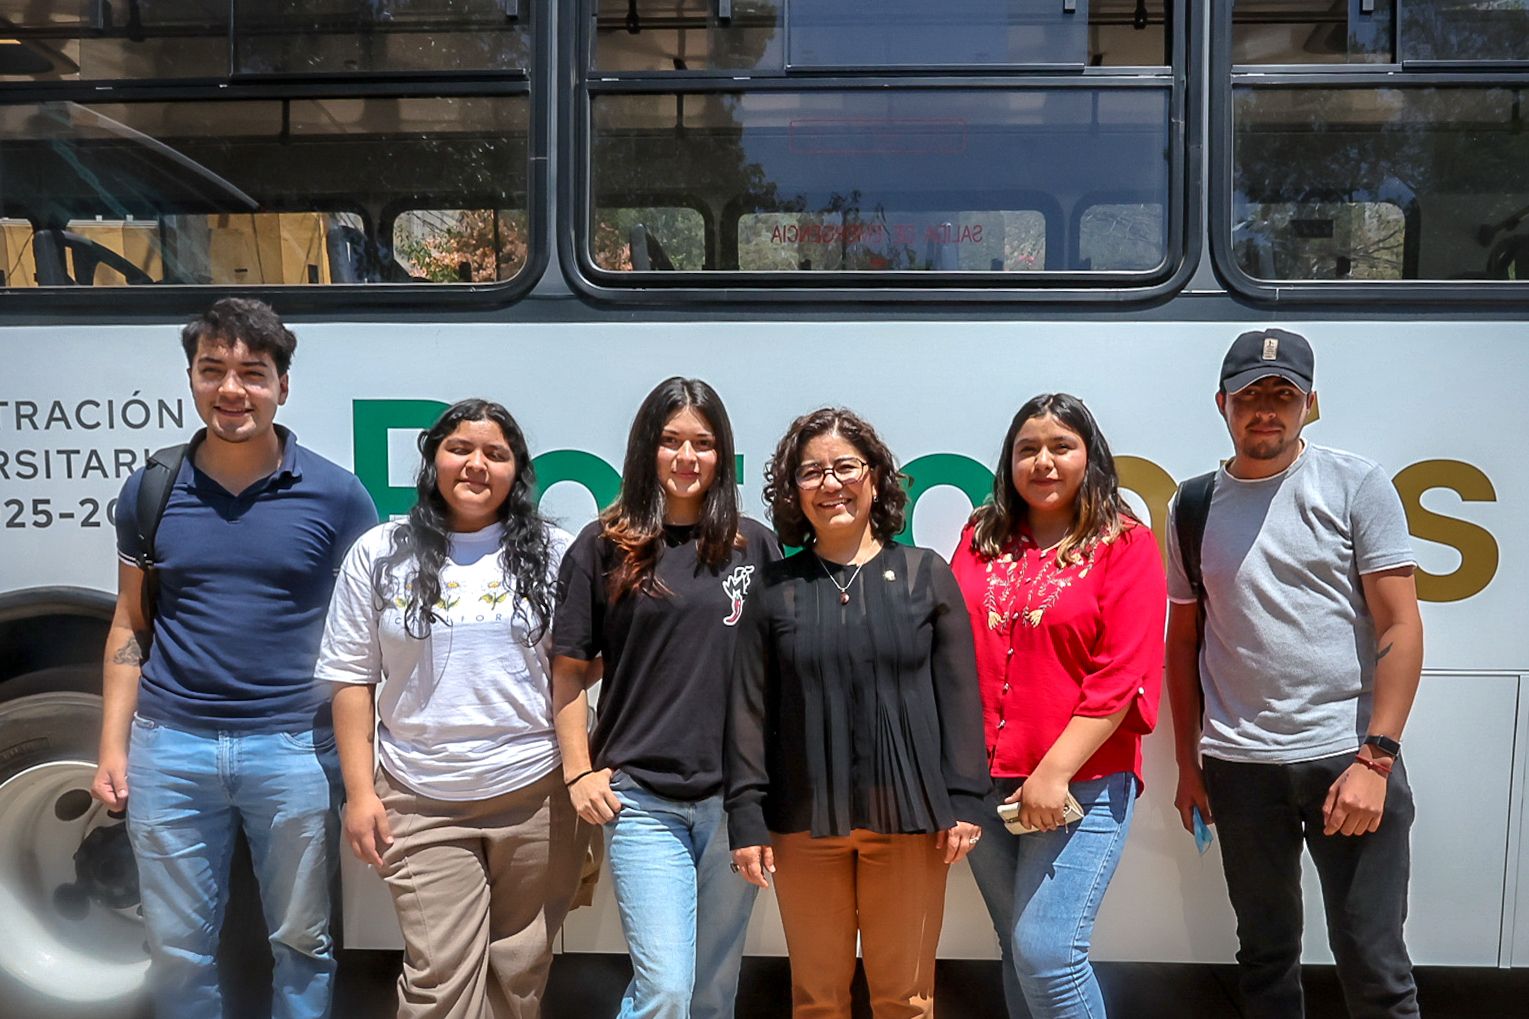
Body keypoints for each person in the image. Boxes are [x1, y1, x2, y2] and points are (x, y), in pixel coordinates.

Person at [90, 297, 377, 1019]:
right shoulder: (151, 489)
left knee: (303, 941)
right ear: (191, 378)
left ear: (283, 385)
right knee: (176, 948)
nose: (231, 389)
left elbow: (363, 641)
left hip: (294, 750)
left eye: (252, 373)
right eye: (211, 369)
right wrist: (113, 746)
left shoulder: (337, 495)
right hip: (169, 748)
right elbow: (130, 622)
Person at [1166, 328, 1424, 1019]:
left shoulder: (1356, 484)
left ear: (1310, 404)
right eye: (1250, 394)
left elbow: (1399, 625)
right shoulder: (1190, 506)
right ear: (1221, 403)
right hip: (1239, 768)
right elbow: (1183, 641)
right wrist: (1188, 764)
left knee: (1373, 964)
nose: (1265, 409)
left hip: (1348, 760)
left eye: (1283, 394)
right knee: (1264, 958)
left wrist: (1376, 759)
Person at [317, 399, 588, 1018]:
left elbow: (582, 665)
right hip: (419, 796)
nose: (476, 465)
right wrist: (360, 795)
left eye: (496, 454)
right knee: (439, 978)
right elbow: (352, 680)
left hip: (536, 794)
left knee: (520, 972)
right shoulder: (380, 552)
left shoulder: (558, 553)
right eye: (460, 449)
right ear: (432, 460)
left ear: (517, 471)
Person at [726, 407, 988, 1019]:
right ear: (794, 491)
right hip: (802, 823)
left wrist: (965, 799)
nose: (830, 483)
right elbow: (748, 709)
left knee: (906, 1000)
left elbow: (959, 694)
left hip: (910, 819)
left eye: (845, 467)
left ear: (874, 478)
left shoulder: (926, 575)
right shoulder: (773, 587)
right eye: (811, 471)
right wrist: (746, 815)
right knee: (817, 1001)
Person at [551, 377, 778, 1019]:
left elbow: (777, 673)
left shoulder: (753, 545)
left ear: (722, 453)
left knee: (713, 990)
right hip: (643, 799)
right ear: (645, 448)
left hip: (735, 800)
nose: (687, 457)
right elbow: (568, 671)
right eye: (671, 440)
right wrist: (579, 772)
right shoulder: (604, 545)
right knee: (666, 988)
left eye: (703, 443)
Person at [949, 393, 1166, 1019]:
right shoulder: (981, 536)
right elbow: (950, 646)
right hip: (982, 781)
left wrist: (1053, 772)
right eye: (1028, 450)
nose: (1043, 462)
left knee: (1047, 954)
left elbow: (1122, 674)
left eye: (1061, 447)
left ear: (1089, 457)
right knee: (1017, 950)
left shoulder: (1124, 544)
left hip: (1081, 783)